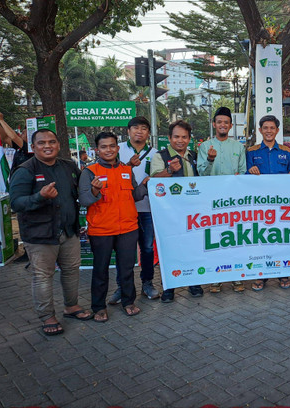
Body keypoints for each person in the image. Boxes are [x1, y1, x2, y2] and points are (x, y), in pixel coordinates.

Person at [9, 129, 92, 336]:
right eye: (42, 142)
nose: (48, 146)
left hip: (68, 231)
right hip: (40, 234)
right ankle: (47, 316)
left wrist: (95, 187)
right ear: (33, 146)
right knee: (43, 276)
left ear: (58, 144)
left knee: (72, 270)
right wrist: (39, 196)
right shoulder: (25, 170)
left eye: (52, 141)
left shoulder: (69, 166)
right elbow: (16, 203)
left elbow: (83, 189)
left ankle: (71, 307)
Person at [79, 132, 148, 322]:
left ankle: (128, 302)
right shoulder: (89, 171)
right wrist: (94, 190)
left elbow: (134, 195)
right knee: (100, 270)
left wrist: (146, 184)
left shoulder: (126, 170)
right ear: (97, 150)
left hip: (127, 228)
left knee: (126, 269)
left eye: (112, 146)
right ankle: (98, 307)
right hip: (101, 230)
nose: (108, 150)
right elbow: (84, 200)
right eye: (104, 147)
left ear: (118, 148)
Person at [150, 120, 203, 302]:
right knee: (170, 249)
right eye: (176, 137)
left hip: (193, 211)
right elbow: (154, 180)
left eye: (184, 137)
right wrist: (169, 170)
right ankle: (169, 287)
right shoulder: (160, 156)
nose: (180, 140)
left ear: (189, 138)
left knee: (193, 247)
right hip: (169, 212)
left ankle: (194, 282)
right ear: (169, 138)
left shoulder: (194, 155)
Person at [197, 107, 247, 293]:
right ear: (214, 124)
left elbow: (243, 172)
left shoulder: (238, 147)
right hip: (213, 201)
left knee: (235, 239)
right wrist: (210, 160)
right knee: (216, 239)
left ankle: (236, 277)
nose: (223, 125)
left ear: (231, 125)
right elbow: (201, 173)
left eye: (226, 122)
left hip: (235, 201)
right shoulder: (205, 147)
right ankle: (216, 278)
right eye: (219, 122)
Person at [111, 116, 160, 303]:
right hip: (123, 208)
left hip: (147, 209)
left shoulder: (156, 153)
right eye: (135, 128)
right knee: (124, 250)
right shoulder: (117, 150)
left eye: (144, 128)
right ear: (128, 131)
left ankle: (147, 283)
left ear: (149, 132)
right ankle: (122, 286)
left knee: (147, 248)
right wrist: (128, 166)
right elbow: (109, 173)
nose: (139, 131)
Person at [246, 114, 290, 291]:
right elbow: (244, 178)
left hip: (281, 205)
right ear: (260, 131)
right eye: (265, 128)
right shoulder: (251, 151)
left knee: (281, 238)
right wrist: (250, 171)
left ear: (277, 130)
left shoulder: (286, 151)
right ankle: (261, 275)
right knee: (261, 239)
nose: (269, 131)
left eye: (272, 128)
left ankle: (283, 273)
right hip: (259, 205)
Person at [0, 111, 32, 175]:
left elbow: (14, 137)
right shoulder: (19, 147)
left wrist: (1, 120)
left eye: (27, 129)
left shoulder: (31, 148)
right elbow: (5, 137)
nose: (24, 130)